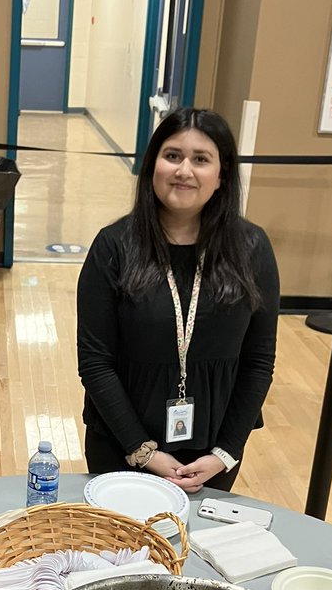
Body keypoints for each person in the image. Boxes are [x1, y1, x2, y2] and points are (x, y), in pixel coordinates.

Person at [77, 107, 279, 494]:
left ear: (221, 176)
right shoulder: (114, 246)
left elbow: (258, 362)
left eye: (201, 159)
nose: (184, 170)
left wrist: (226, 452)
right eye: (172, 156)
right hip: (123, 443)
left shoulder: (252, 248)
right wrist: (144, 451)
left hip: (212, 450)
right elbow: (95, 361)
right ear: (153, 164)